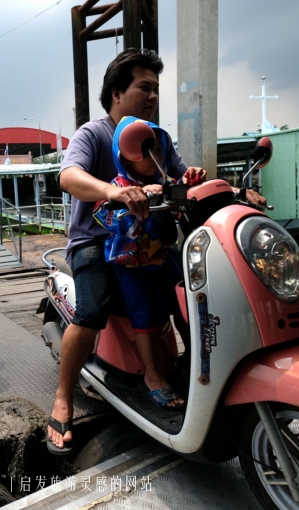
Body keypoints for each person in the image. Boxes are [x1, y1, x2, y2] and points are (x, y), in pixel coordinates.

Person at [47, 48, 265, 455]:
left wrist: (235, 190)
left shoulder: (154, 142)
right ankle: (62, 396)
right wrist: (114, 190)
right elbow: (68, 175)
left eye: (156, 89)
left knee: (193, 296)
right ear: (116, 92)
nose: (152, 96)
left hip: (147, 241)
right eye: (144, 87)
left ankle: (196, 369)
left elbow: (184, 179)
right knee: (93, 308)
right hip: (94, 241)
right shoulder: (93, 134)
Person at [93, 117, 189, 408]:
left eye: (159, 150)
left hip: (162, 256)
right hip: (132, 263)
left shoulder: (165, 182)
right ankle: (153, 376)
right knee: (145, 316)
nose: (154, 157)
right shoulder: (118, 187)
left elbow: (187, 198)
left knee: (187, 302)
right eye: (146, 151)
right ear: (124, 158)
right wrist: (137, 203)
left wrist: (193, 181)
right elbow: (104, 216)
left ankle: (197, 359)